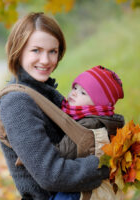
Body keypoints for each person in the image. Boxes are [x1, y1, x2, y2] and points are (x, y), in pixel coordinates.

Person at [0, 12, 109, 200]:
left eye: (52, 51)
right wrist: (109, 163)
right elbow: (51, 175)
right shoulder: (17, 102)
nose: (46, 60)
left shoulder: (46, 93)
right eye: (36, 50)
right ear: (18, 50)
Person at [51, 65, 125, 200]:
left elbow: (62, 154)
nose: (74, 93)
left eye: (83, 93)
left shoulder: (88, 125)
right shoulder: (101, 120)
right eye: (75, 88)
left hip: (79, 192)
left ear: (98, 104)